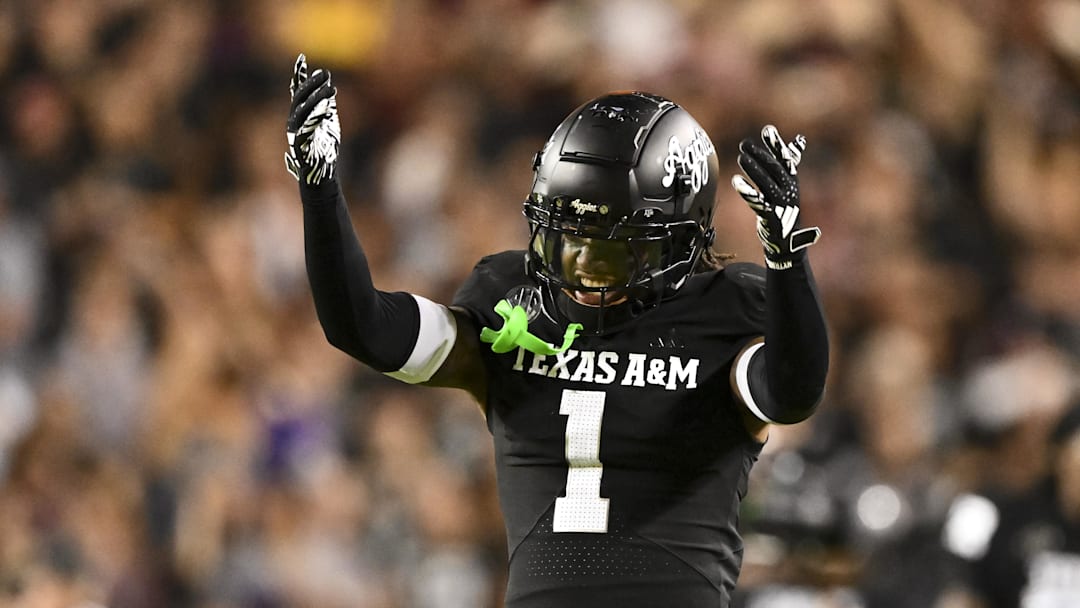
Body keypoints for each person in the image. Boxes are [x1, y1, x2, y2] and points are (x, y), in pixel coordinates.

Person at [285, 53, 829, 608]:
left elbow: (791, 394)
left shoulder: (721, 312)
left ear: (677, 241)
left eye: (611, 249)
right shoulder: (510, 300)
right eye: (568, 240)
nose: (584, 266)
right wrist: (320, 192)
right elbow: (363, 327)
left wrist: (787, 262)